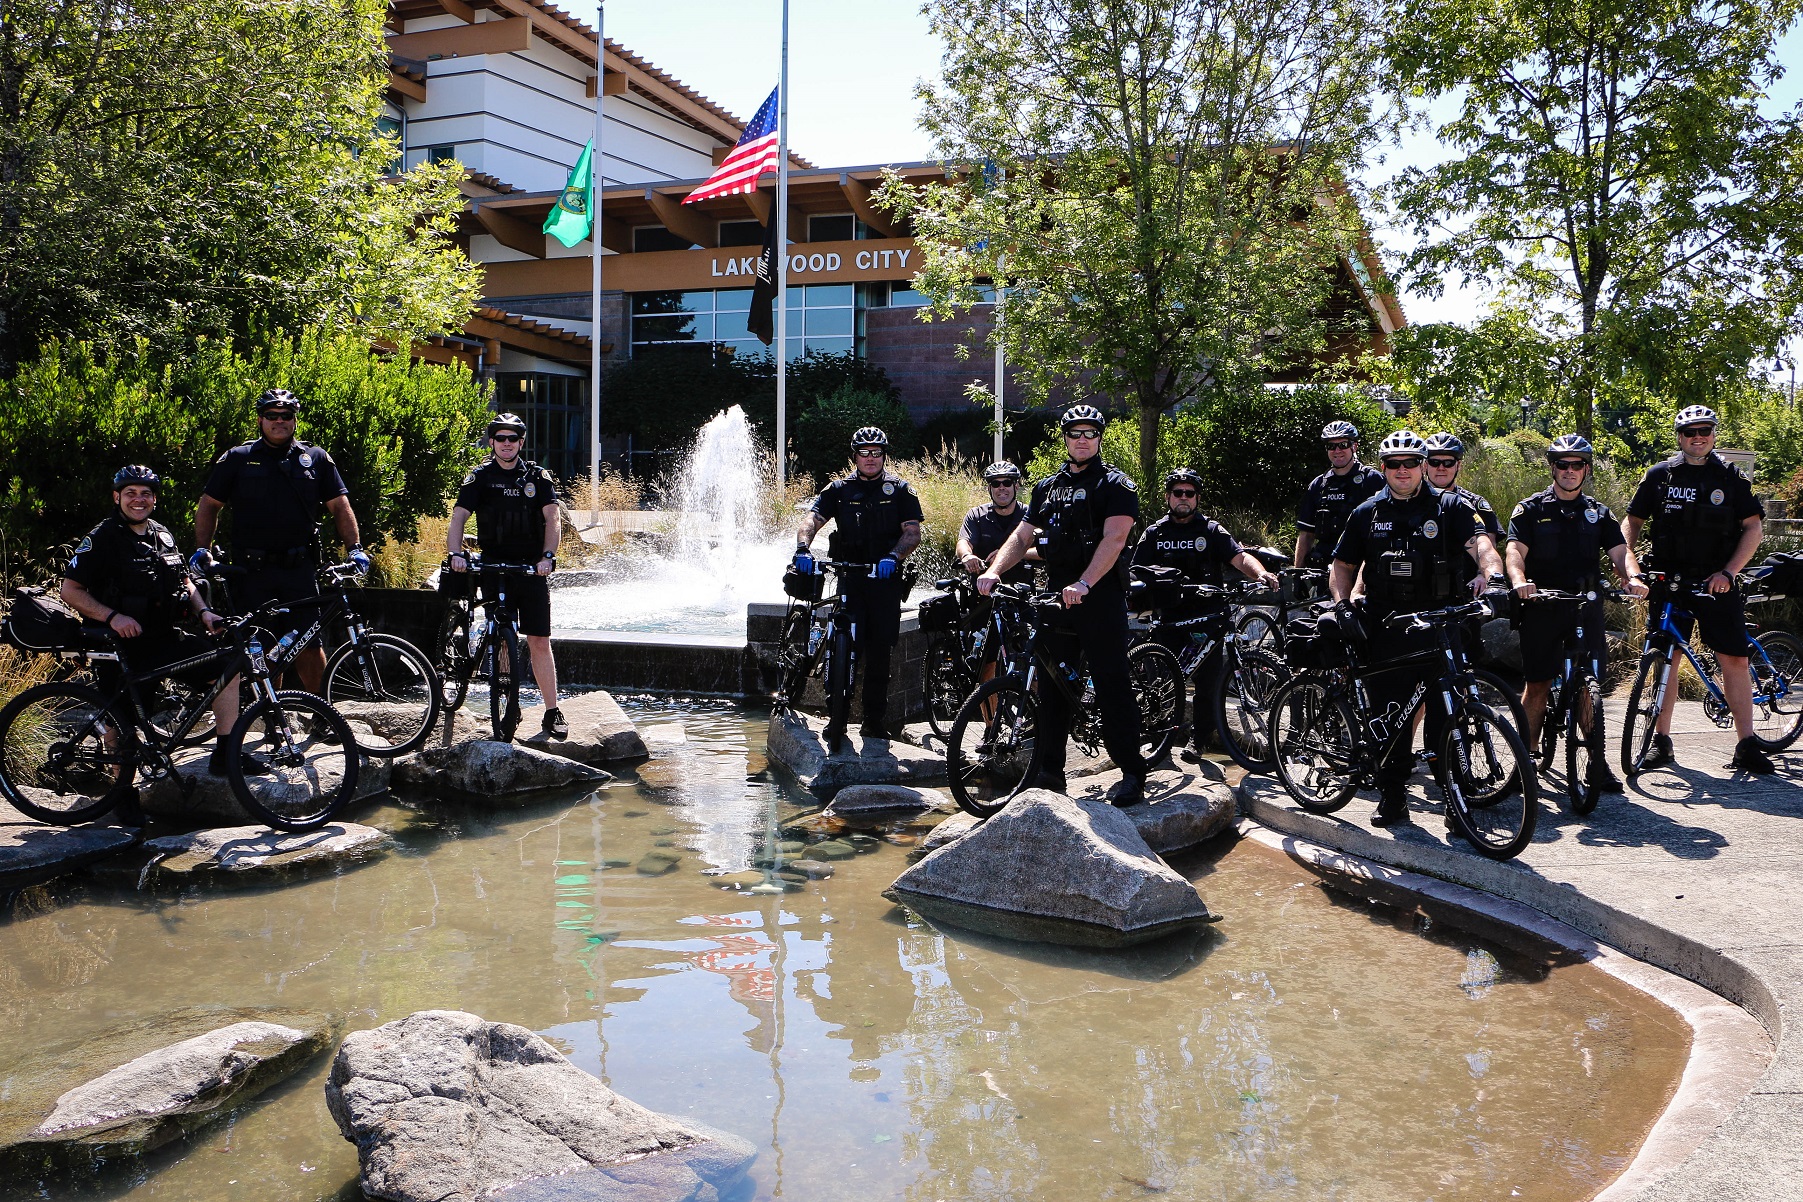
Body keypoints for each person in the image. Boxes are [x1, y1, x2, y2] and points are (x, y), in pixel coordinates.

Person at [1332, 430, 1504, 829]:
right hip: (1386, 628)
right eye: (1394, 464)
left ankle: (1455, 802)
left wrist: (1493, 576)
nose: (1403, 470)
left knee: (1449, 719)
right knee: (1390, 717)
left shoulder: (1451, 507)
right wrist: (1343, 606)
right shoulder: (1366, 513)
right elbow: (1341, 567)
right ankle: (1393, 798)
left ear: (1423, 465)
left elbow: (1482, 545)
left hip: (1442, 626)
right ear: (1383, 468)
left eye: (1411, 463)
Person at [978, 404, 1149, 805]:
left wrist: (1086, 582)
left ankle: (1131, 772)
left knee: (1112, 684)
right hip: (1057, 597)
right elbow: (1021, 538)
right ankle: (1051, 773)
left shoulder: (1115, 485)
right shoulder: (1047, 487)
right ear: (1066, 438)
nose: (1082, 439)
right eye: (1075, 433)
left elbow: (1115, 540)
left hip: (1099, 595)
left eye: (1090, 432)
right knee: (1053, 685)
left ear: (1099, 437)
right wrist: (995, 572)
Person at [61, 465, 247, 789]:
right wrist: (112, 617)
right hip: (121, 646)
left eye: (145, 493)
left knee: (227, 668)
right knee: (124, 726)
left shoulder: (161, 534)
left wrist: (204, 612)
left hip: (163, 638)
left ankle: (226, 754)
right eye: (130, 493)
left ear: (154, 499)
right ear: (117, 497)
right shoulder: (103, 537)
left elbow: (184, 579)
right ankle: (123, 797)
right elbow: (70, 590)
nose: (138, 499)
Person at [1623, 406, 1773, 773]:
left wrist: (1729, 572)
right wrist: (1631, 570)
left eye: (1705, 430)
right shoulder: (1659, 475)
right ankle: (1661, 741)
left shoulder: (1731, 478)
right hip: (1668, 584)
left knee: (1734, 661)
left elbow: (1753, 528)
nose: (1698, 437)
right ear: (1679, 436)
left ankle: (1746, 744)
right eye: (1690, 431)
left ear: (1714, 433)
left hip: (1716, 583)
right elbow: (1632, 522)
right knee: (1665, 663)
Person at [193, 388, 368, 693]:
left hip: (299, 570)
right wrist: (202, 550)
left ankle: (322, 714)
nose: (279, 421)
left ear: (294, 420)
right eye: (271, 416)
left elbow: (340, 506)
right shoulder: (238, 458)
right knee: (262, 647)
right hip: (252, 572)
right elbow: (209, 504)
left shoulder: (315, 458)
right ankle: (273, 717)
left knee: (309, 646)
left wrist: (355, 549)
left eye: (286, 416)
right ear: (260, 420)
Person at [1506, 435, 1648, 787]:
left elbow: (1620, 552)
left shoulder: (1598, 512)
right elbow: (1514, 553)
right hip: (1541, 605)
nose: (1570, 471)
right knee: (1537, 684)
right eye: (1563, 465)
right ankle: (1526, 759)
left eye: (1577, 465)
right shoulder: (1531, 509)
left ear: (1586, 469)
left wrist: (1633, 577)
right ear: (1553, 467)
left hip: (1586, 606)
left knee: (1590, 686)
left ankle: (1596, 762)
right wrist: (1520, 580)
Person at [792, 426, 924, 750]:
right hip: (849, 577)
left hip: (884, 580)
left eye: (876, 453)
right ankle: (836, 716)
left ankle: (874, 723)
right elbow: (811, 520)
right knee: (844, 645)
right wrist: (803, 549)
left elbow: (912, 533)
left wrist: (893, 556)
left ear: (884, 456)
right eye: (864, 452)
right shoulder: (838, 489)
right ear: (855, 456)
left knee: (880, 652)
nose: (870, 458)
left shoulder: (901, 490)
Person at [447, 412, 566, 739]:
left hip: (530, 567)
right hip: (493, 566)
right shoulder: (480, 477)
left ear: (521, 442)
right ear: (491, 441)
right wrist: (455, 553)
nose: (507, 443)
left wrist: (547, 557)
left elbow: (552, 519)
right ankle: (506, 705)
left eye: (513, 438)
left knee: (540, 640)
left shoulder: (538, 477)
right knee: (501, 635)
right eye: (501, 438)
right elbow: (459, 517)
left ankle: (552, 711)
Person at [1132, 468, 1278, 722]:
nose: (1184, 497)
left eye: (1190, 493)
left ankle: (1198, 741)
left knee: (1208, 686)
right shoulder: (1155, 533)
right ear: (1168, 497)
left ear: (1197, 498)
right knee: (1163, 683)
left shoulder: (1211, 530)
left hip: (1208, 617)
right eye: (1178, 492)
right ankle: (1159, 737)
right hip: (1169, 619)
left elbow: (1239, 557)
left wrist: (1261, 574)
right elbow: (1135, 572)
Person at [1294, 420, 1383, 571]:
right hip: (1322, 567)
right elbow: (1306, 534)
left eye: (1343, 445)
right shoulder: (1318, 485)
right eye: (1331, 446)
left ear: (1354, 446)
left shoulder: (1373, 479)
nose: (1337, 450)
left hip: (1362, 566)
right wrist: (1298, 572)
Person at [1423, 433, 1503, 590]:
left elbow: (1488, 545)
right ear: (1425, 465)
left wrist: (1483, 576)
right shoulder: (1410, 502)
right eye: (1434, 462)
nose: (1441, 468)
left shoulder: (1475, 503)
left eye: (1448, 463)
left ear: (1458, 465)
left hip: (1465, 590)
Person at [956, 461, 1038, 586]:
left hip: (1021, 590)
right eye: (995, 484)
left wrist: (1010, 554)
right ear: (989, 488)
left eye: (1007, 483)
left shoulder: (1031, 514)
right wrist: (966, 556)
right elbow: (964, 541)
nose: (1001, 487)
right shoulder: (976, 514)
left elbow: (1045, 551)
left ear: (1016, 487)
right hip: (981, 590)